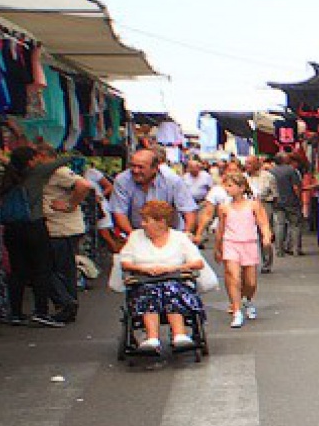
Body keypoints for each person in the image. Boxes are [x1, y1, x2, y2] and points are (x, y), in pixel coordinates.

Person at [0, 144, 75, 326]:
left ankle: (15, 312)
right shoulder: (37, 173)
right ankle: (41, 311)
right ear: (31, 161)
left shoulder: (7, 174)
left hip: (12, 228)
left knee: (17, 271)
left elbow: (13, 164)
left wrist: (2, 157)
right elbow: (67, 158)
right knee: (42, 269)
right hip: (34, 226)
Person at [116, 199, 207, 354]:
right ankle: (152, 338)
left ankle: (179, 335)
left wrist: (173, 268)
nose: (142, 224)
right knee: (149, 291)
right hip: (145, 281)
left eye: (146, 220)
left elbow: (198, 263)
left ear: (161, 222)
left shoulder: (179, 238)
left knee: (171, 289)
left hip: (175, 279)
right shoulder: (136, 237)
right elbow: (125, 262)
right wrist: (144, 269)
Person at [105, 148, 199, 246]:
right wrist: (133, 237)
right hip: (136, 233)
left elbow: (188, 210)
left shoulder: (173, 181)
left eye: (141, 167)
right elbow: (119, 212)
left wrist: (185, 236)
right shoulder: (122, 180)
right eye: (132, 166)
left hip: (170, 234)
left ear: (155, 168)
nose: (135, 171)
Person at [214, 170, 271, 328]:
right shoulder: (224, 208)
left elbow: (263, 222)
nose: (227, 189)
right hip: (231, 243)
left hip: (249, 243)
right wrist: (218, 247)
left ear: (241, 188)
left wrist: (266, 236)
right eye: (226, 186)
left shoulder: (253, 205)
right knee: (233, 276)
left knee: (250, 282)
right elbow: (221, 228)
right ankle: (237, 310)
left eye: (230, 186)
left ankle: (247, 300)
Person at [41, 152, 95, 321]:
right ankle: (67, 307)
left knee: (54, 269)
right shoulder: (50, 172)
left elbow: (84, 185)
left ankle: (66, 304)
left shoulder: (59, 172)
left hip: (62, 228)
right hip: (62, 227)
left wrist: (69, 205)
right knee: (65, 269)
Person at [267, 153, 305, 256]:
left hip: (277, 201)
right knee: (295, 225)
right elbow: (296, 187)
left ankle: (279, 250)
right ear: (285, 160)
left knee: (279, 225)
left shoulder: (270, 171)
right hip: (291, 201)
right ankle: (295, 249)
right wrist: (299, 199)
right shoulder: (291, 170)